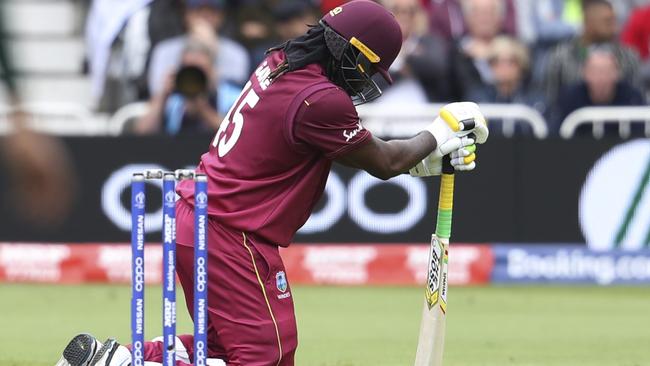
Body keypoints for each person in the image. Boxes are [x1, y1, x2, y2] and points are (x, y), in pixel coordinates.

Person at [56, 1, 488, 365]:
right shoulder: (322, 99)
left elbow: (359, 154)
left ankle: (114, 357)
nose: (365, 79)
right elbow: (384, 162)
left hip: (200, 218)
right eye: (367, 67)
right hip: (232, 235)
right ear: (347, 51)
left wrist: (422, 160)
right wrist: (440, 133)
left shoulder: (282, 62)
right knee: (270, 355)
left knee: (224, 350)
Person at [543, 0, 641, 107]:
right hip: (572, 119)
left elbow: (636, 100)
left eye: (614, 21)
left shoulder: (628, 57)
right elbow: (551, 100)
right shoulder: (561, 57)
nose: (615, 28)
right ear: (588, 22)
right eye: (607, 21)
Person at [135, 39, 241, 135]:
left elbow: (234, 135)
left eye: (199, 70)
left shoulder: (235, 98)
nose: (193, 77)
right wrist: (163, 96)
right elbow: (143, 132)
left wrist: (202, 109)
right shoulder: (174, 102)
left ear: (213, 70)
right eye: (189, 69)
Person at [148, 0, 250, 97]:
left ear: (221, 16)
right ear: (186, 14)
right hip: (174, 110)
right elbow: (155, 90)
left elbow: (236, 92)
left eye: (211, 11)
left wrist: (211, 52)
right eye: (198, 10)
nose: (205, 17)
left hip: (219, 112)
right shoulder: (164, 50)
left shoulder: (236, 53)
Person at [554, 46, 646, 134]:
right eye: (595, 71)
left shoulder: (632, 98)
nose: (600, 78)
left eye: (606, 71)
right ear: (584, 73)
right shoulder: (569, 97)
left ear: (617, 73)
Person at [468, 36, 546, 136]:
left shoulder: (537, 100)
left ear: (521, 64)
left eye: (510, 61)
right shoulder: (477, 99)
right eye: (496, 61)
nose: (503, 67)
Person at [378, 0, 450, 103]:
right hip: (378, 112)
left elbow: (437, 68)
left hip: (424, 112)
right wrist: (402, 70)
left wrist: (406, 58)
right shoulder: (376, 44)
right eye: (397, 10)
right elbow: (370, 83)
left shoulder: (430, 41)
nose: (404, 16)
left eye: (411, 11)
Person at [448, 0, 506, 100]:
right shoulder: (456, 52)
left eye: (490, 12)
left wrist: (492, 56)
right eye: (478, 13)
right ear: (467, 17)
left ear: (500, 17)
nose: (484, 18)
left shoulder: (512, 49)